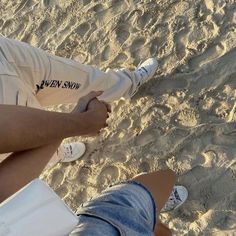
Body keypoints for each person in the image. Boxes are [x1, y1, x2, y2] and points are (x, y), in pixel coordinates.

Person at [0, 36, 158, 165]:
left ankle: (128, 83)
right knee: (26, 151)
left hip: (4, 54)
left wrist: (81, 122)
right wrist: (81, 123)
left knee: (85, 79)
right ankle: (57, 154)